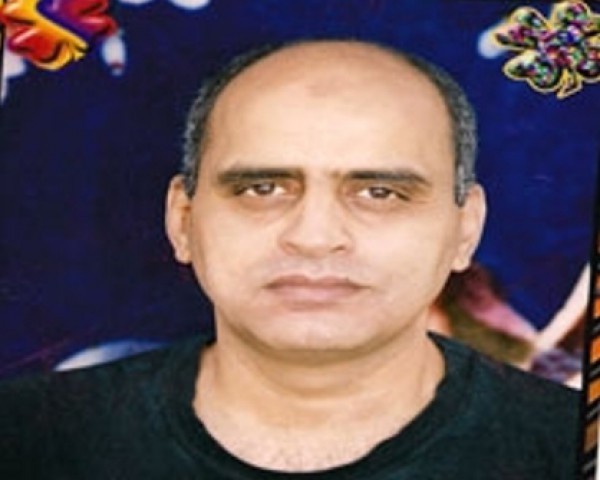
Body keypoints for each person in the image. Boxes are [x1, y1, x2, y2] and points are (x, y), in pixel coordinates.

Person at [0, 39, 579, 479]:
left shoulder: (571, 446)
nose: (315, 236)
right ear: (183, 220)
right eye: (263, 188)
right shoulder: (26, 440)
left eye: (380, 192)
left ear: (464, 230)